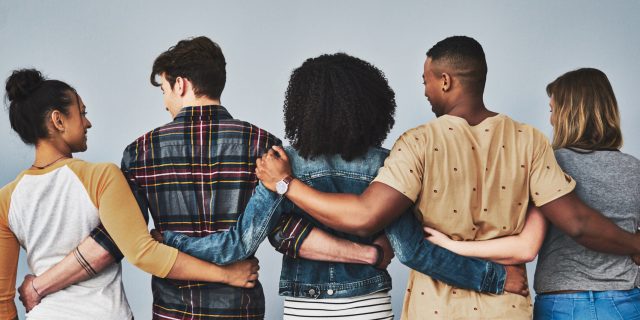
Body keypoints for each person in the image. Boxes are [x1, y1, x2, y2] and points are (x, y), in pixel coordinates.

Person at [255, 36, 640, 319]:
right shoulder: (530, 141)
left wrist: (287, 184)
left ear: (445, 80)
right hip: (506, 308)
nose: (423, 91)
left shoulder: (417, 143)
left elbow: (366, 216)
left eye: (425, 80)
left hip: (433, 309)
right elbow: (568, 224)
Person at [155, 53, 528, 319]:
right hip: (368, 304)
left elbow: (237, 244)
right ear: (371, 106)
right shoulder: (386, 162)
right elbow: (413, 252)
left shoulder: (283, 164)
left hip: (306, 307)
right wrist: (496, 278)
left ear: (302, 107)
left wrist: (169, 239)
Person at [0, 69, 258, 320]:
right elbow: (143, 253)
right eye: (82, 113)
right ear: (58, 120)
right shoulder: (101, 177)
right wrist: (225, 275)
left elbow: (2, 300)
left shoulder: (6, 199)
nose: (88, 122)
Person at [425, 68, 640, 320]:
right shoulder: (634, 168)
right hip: (626, 302)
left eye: (552, 110)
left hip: (563, 305)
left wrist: (452, 245)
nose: (551, 120)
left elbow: (525, 247)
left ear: (568, 113)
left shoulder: (551, 164)